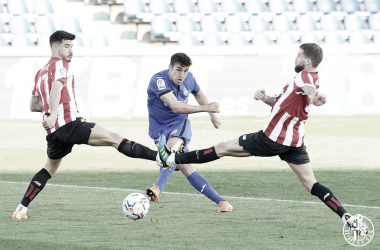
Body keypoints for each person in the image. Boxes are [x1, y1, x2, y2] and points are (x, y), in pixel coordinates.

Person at [158, 44, 369, 234]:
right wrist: (265, 98)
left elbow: (309, 91)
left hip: (271, 138)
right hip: (295, 143)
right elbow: (286, 102)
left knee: (222, 148)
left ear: (307, 61)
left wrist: (315, 98)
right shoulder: (312, 77)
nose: (295, 58)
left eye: (298, 55)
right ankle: (346, 217)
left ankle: (175, 159)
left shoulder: (305, 77)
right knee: (311, 183)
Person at [12, 30, 159, 220]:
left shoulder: (39, 73)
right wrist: (55, 113)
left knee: (49, 168)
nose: (70, 51)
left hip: (54, 132)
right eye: (67, 46)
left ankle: (21, 209)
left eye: (72, 46)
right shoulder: (60, 64)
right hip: (70, 124)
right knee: (114, 139)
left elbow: (34, 105)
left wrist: (49, 113)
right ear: (55, 47)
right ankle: (161, 158)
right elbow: (57, 85)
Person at [145, 53, 233, 212]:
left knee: (172, 148)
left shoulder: (189, 78)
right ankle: (222, 203)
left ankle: (157, 188)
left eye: (185, 71)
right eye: (178, 70)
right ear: (170, 67)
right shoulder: (158, 81)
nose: (182, 75)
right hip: (159, 131)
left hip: (179, 123)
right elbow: (176, 106)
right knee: (185, 167)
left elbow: (199, 94)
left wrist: (212, 115)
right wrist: (206, 108)